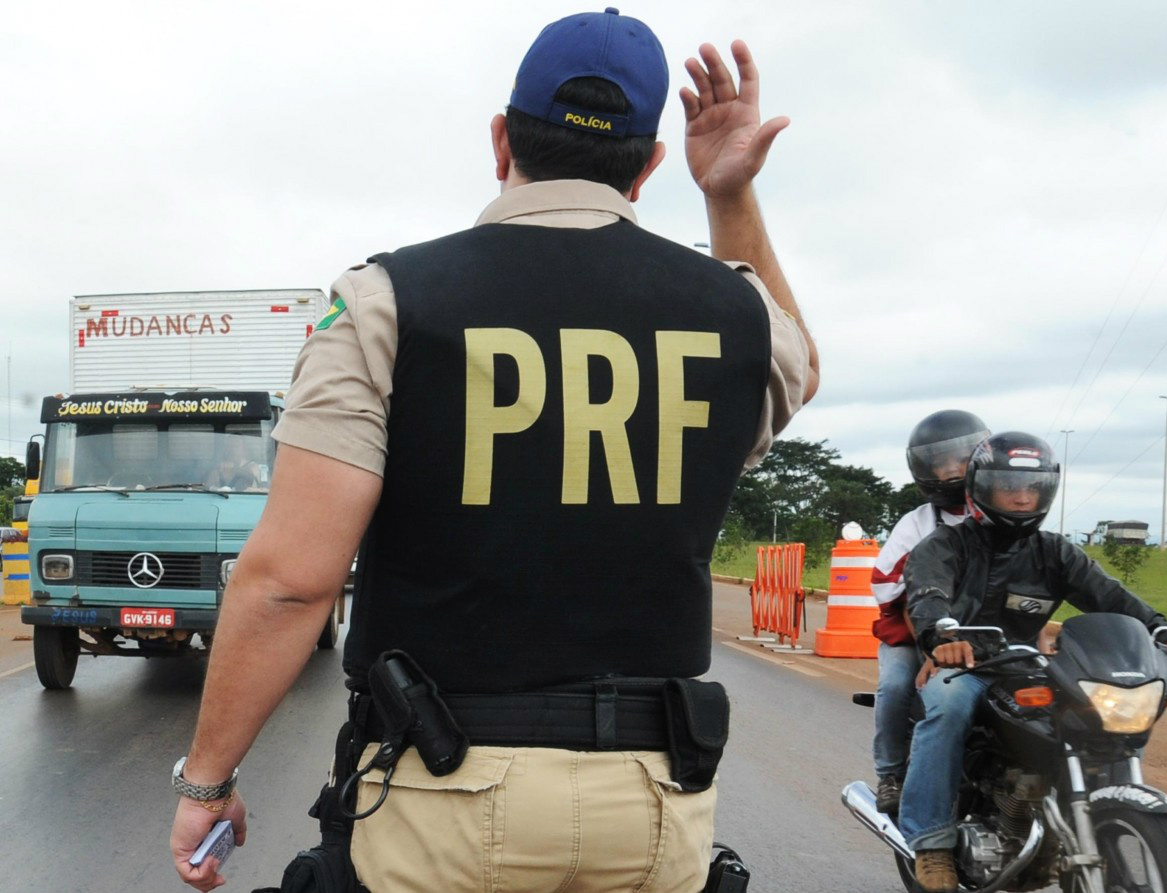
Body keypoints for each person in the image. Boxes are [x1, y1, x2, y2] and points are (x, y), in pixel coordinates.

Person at [169, 9, 818, 893]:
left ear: (502, 137)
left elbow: (289, 580)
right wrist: (731, 196)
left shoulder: (385, 302)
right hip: (656, 802)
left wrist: (208, 780)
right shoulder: (734, 316)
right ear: (650, 165)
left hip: (440, 795)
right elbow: (795, 361)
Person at [898, 431, 1167, 893]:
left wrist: (1166, 632)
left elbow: (1113, 597)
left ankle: (1078, 816)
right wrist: (939, 635)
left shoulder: (1055, 551)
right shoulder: (946, 545)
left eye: (1033, 488)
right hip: (965, 663)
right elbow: (928, 593)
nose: (1022, 498)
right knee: (947, 709)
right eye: (1010, 487)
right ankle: (931, 842)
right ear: (981, 488)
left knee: (1100, 720)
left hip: (1027, 663)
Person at [868, 409, 988, 814]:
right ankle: (890, 774)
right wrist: (929, 650)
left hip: (984, 632)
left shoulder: (1001, 514)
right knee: (897, 686)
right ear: (925, 471)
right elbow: (897, 596)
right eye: (941, 464)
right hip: (913, 633)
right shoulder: (917, 525)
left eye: (962, 460)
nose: (953, 471)